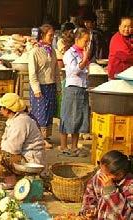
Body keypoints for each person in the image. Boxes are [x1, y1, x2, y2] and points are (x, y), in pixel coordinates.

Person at [0, 93, 45, 178]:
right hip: (26, 155)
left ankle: (9, 180)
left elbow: (12, 149)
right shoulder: (15, 120)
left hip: (31, 160)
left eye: (1, 108)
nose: (0, 110)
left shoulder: (20, 122)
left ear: (7, 110)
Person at [28, 24, 61, 149]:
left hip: (51, 85)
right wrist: (36, 89)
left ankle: (45, 137)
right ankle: (39, 139)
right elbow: (32, 73)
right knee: (39, 112)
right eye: (50, 35)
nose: (52, 38)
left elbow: (56, 70)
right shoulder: (35, 51)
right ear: (42, 35)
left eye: (53, 35)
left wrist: (58, 87)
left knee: (49, 112)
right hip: (40, 86)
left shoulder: (52, 50)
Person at [60, 28, 91, 157]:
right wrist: (84, 60)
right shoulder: (69, 53)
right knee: (68, 116)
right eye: (85, 41)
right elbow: (73, 71)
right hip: (73, 88)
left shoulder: (82, 52)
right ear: (77, 39)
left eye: (88, 41)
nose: (87, 44)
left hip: (82, 88)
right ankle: (63, 146)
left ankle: (74, 146)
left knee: (79, 118)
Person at [81, 150, 132, 219]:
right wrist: (89, 210)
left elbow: (127, 215)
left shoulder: (129, 185)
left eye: (106, 174)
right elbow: (89, 195)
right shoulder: (99, 176)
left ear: (120, 174)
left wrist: (110, 191)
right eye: (101, 169)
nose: (101, 174)